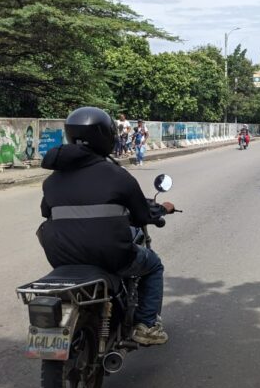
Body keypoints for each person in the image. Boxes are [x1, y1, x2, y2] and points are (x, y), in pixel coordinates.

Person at [37, 106, 173, 345]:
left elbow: (46, 211)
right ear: (106, 137)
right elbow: (141, 215)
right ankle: (146, 326)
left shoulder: (52, 180)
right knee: (153, 266)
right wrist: (161, 210)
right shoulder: (118, 175)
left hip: (61, 256)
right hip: (111, 256)